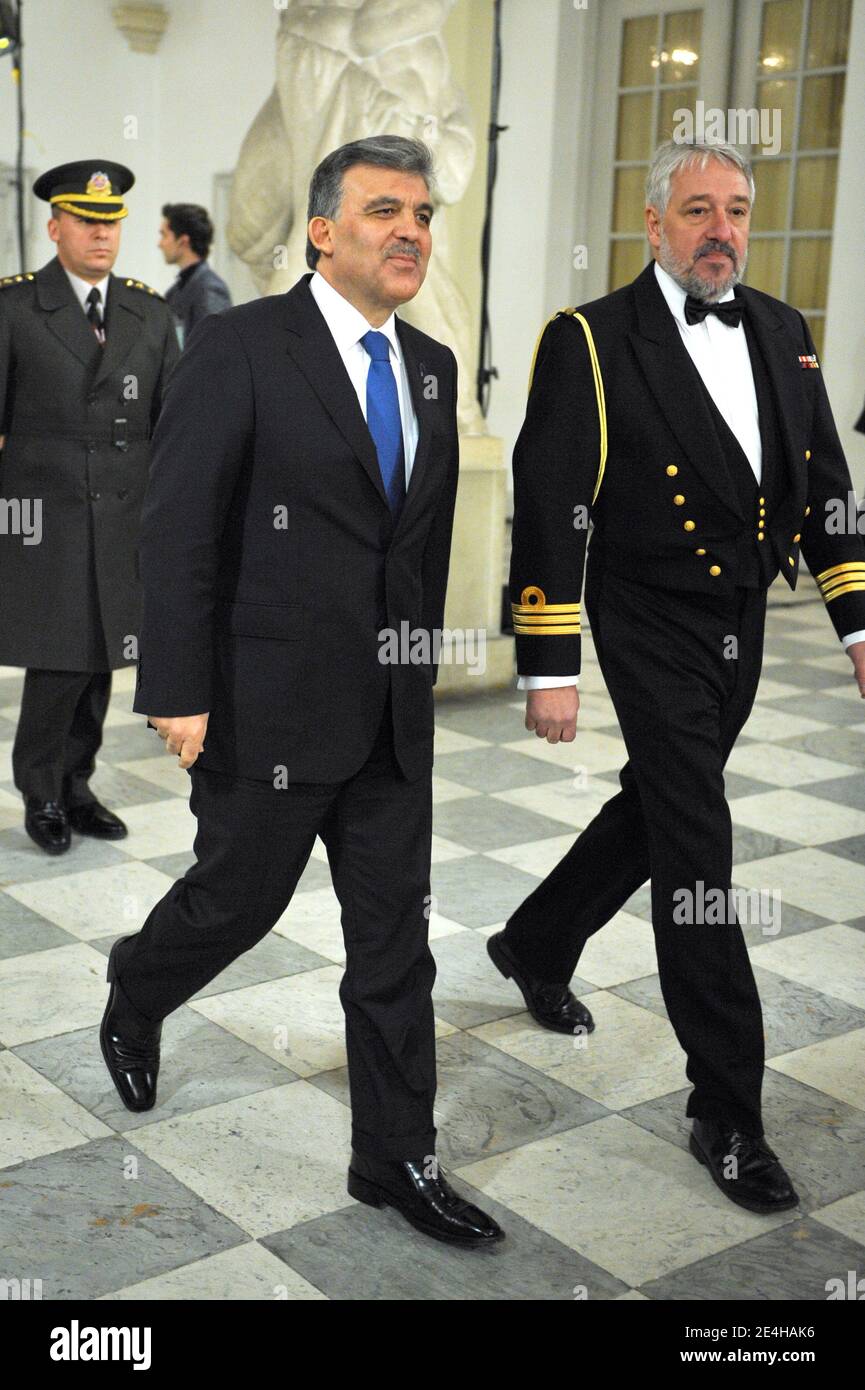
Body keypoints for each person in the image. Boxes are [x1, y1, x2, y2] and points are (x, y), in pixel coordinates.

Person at [101, 135, 503, 1248]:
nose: (412, 229)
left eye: (422, 212)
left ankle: (394, 1158)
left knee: (394, 945)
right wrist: (177, 689)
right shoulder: (239, 349)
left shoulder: (428, 363)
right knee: (238, 904)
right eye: (385, 209)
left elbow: (408, 549)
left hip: (387, 720)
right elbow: (177, 527)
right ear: (324, 230)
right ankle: (138, 986)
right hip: (262, 705)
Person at [490, 138, 865, 1217]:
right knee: (698, 838)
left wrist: (854, 625)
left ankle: (536, 939)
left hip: (742, 616)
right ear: (652, 224)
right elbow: (552, 503)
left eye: (737, 209)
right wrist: (548, 663)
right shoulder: (593, 341)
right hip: (645, 614)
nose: (722, 230)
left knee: (659, 804)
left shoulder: (787, 334)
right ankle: (726, 1108)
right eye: (697, 209)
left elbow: (828, 493)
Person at [0, 160, 180, 855]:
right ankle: (40, 791)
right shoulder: (15, 309)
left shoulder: (148, 310)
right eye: (85, 221)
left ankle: (78, 784)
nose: (101, 234)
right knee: (59, 661)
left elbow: (170, 423)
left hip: (123, 519)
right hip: (46, 521)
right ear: (54, 227)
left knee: (104, 658)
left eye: (110, 223)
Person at [159, 203, 232, 344]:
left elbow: (214, 347)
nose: (160, 243)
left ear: (183, 241)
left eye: (164, 235)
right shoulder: (174, 292)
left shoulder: (210, 289)